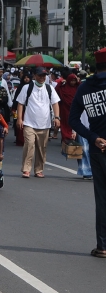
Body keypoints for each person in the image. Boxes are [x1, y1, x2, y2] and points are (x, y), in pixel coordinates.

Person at [69, 48, 106, 258]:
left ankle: (102, 246)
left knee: (102, 198)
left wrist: (94, 138)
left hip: (97, 147)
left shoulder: (84, 88)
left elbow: (73, 120)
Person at [16, 67, 61, 178]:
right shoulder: (27, 88)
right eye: (40, 75)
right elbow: (20, 103)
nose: (42, 78)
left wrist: (57, 117)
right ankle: (26, 169)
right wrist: (19, 119)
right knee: (29, 145)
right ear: (34, 76)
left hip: (44, 124)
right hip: (29, 123)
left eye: (44, 76)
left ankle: (39, 169)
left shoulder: (49, 88)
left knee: (42, 149)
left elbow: (55, 103)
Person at [55, 73, 80, 142]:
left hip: (75, 108)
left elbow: (82, 87)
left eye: (74, 81)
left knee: (74, 122)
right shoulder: (63, 87)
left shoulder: (77, 87)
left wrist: (78, 81)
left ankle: (73, 136)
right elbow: (56, 90)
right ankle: (65, 137)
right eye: (71, 81)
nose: (73, 82)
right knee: (65, 123)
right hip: (65, 108)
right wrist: (60, 83)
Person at [11, 72, 33, 146]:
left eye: (28, 77)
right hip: (19, 108)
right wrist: (14, 108)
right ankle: (19, 139)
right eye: (25, 77)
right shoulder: (20, 87)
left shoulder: (32, 87)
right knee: (18, 123)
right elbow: (16, 99)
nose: (26, 79)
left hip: (29, 108)